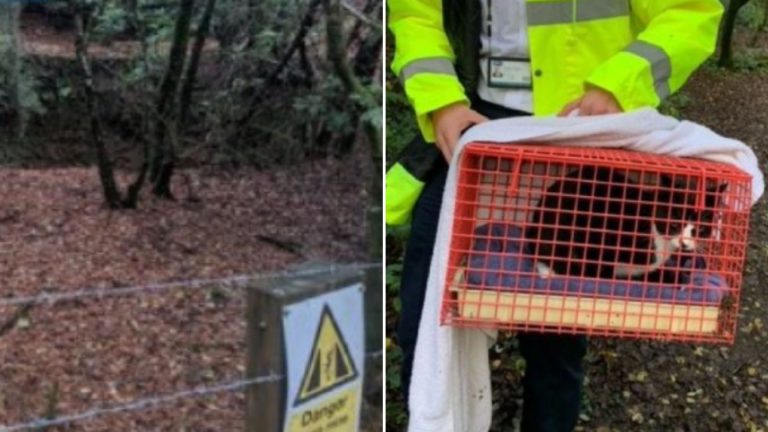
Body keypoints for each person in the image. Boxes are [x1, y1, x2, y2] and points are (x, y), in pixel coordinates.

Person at [386, 1, 724, 431]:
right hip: (474, 125)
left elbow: (691, 11)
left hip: (580, 133)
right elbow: (414, 12)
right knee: (425, 324)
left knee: (556, 342)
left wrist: (620, 85)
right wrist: (440, 102)